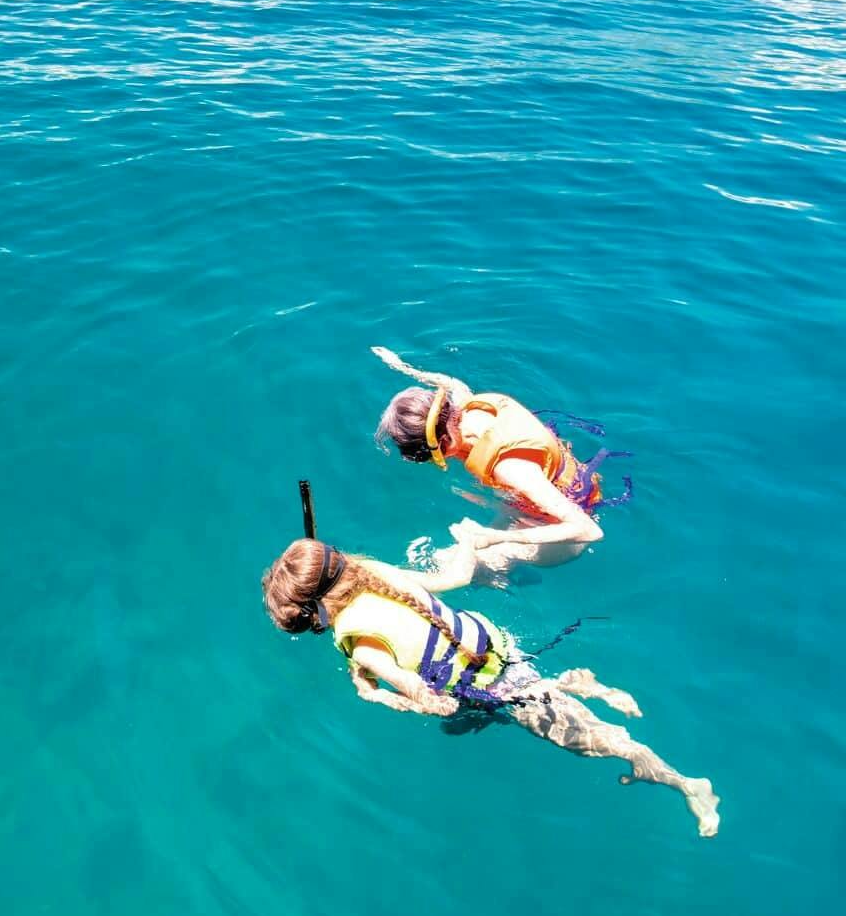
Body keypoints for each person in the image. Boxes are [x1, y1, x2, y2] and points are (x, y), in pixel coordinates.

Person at [261, 538, 719, 836]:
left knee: (598, 743)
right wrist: (470, 541)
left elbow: (436, 705)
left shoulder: (361, 647)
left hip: (491, 688)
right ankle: (575, 685)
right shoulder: (379, 573)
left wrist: (375, 694)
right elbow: (455, 579)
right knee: (502, 705)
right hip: (496, 648)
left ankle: (685, 783)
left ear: (316, 609)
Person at [372, 347, 629, 568]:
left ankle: (495, 574)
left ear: (440, 443)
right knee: (465, 550)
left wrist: (499, 538)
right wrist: (402, 366)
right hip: (533, 495)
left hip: (571, 523)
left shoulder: (510, 466)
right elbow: (453, 384)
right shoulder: (466, 409)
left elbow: (589, 531)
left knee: (460, 561)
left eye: (426, 456)